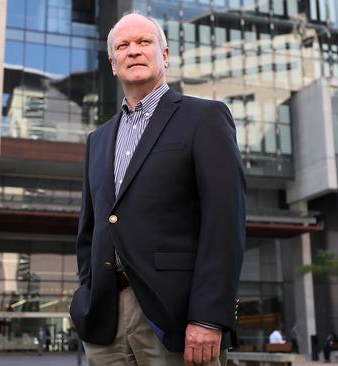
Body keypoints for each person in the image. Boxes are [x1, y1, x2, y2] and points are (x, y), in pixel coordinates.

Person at [69, 11, 246, 366]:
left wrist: (209, 316)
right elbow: (90, 229)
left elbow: (224, 223)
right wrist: (86, 293)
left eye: (144, 42)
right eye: (123, 45)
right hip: (105, 318)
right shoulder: (98, 140)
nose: (133, 50)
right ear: (113, 64)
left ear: (164, 55)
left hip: (176, 316)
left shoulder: (204, 118)